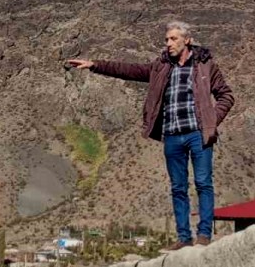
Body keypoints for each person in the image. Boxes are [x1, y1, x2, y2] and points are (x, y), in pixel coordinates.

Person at [67, 21, 234, 250]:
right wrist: (95, 65)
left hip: (198, 135)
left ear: (187, 40)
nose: (168, 44)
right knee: (178, 187)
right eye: (166, 39)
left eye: (173, 39)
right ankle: (183, 238)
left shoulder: (206, 66)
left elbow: (226, 96)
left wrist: (211, 121)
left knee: (203, 183)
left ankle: (204, 235)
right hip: (172, 136)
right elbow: (129, 70)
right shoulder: (161, 67)